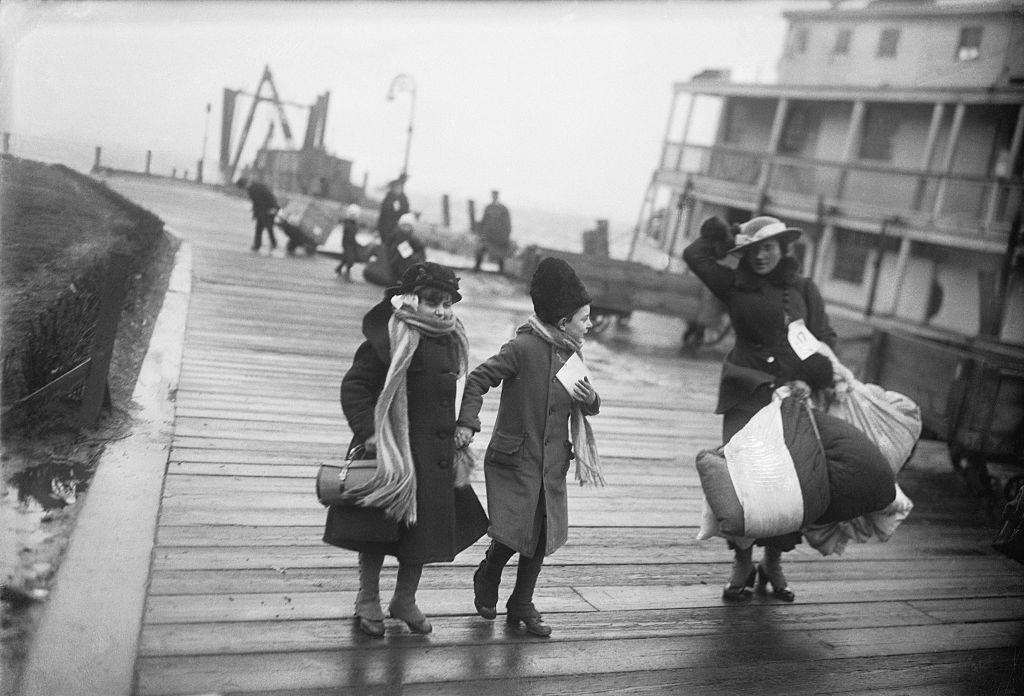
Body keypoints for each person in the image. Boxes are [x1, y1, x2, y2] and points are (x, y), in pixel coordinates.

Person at [325, 262, 489, 637]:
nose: (443, 310)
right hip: (392, 454)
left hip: (432, 458)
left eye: (449, 302)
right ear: (412, 299)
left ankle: (405, 598)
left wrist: (466, 424)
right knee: (376, 531)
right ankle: (367, 598)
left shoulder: (452, 339)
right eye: (433, 301)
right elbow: (356, 388)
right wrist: (369, 432)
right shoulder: (389, 338)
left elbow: (463, 387)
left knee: (422, 533)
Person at [683, 215, 837, 604]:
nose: (761, 256)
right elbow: (694, 254)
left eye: (768, 247)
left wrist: (810, 379)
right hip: (745, 393)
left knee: (788, 483)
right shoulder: (735, 283)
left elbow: (826, 339)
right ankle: (742, 561)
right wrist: (727, 236)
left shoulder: (803, 288)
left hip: (791, 397)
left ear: (783, 248)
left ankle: (773, 562)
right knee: (740, 479)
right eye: (753, 250)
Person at [455, 257, 604, 637]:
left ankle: (521, 601)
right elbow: (476, 380)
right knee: (510, 531)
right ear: (562, 320)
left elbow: (589, 405)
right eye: (584, 318)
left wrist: (589, 399)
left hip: (551, 462)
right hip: (516, 459)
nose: (589, 325)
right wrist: (468, 423)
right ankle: (488, 573)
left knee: (539, 534)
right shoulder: (522, 347)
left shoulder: (571, 355)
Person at [473, 190, 512, 273]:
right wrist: (480, 231)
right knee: (480, 248)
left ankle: (501, 270)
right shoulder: (488, 207)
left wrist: (505, 236)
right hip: (488, 235)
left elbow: (507, 223)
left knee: (500, 253)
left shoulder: (503, 209)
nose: (494, 197)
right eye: (493, 195)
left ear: (497, 196)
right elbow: (484, 221)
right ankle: (477, 267)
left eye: (495, 195)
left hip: (499, 237)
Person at [237, 177, 279, 252]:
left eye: (242, 187)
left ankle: (268, 244)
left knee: (267, 227)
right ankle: (262, 244)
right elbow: (257, 202)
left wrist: (273, 207)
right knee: (262, 228)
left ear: (243, 185)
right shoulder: (253, 187)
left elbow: (268, 196)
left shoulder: (255, 188)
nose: (243, 190)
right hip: (263, 211)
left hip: (268, 210)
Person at [376, 174, 410, 247]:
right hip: (388, 231)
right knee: (390, 249)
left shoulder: (402, 200)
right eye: (397, 187)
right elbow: (384, 217)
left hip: (397, 231)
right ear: (393, 188)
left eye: (400, 187)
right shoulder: (388, 200)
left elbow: (405, 211)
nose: (399, 189)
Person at [335, 204, 362, 281]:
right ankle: (347, 273)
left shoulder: (350, 223)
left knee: (346, 257)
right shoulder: (349, 224)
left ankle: (339, 268)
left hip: (348, 243)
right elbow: (350, 235)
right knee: (350, 258)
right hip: (348, 243)